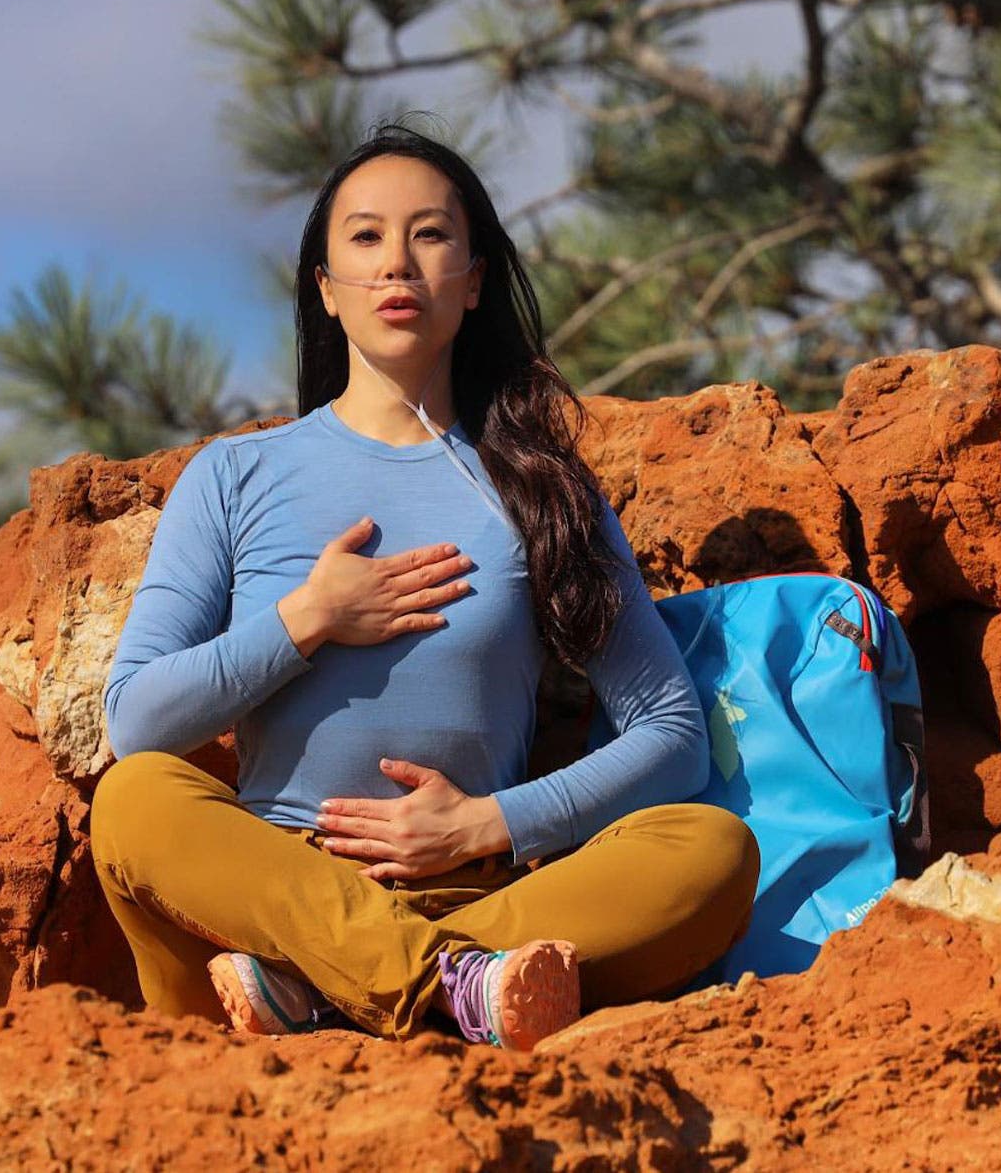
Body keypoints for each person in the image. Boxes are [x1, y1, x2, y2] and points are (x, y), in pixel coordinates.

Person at [88, 122, 759, 1051]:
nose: (397, 262)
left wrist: (486, 822)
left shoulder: (543, 486)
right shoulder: (234, 477)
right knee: (134, 800)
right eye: (365, 237)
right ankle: (441, 982)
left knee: (712, 849)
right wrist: (308, 617)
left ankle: (338, 991)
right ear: (325, 289)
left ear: (475, 280)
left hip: (484, 893)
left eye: (431, 235)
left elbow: (672, 737)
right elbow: (137, 720)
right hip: (272, 898)